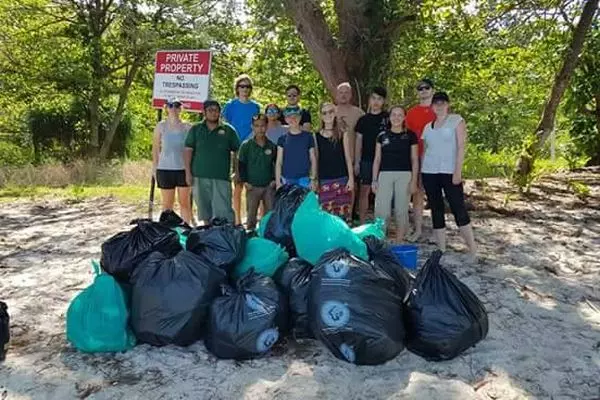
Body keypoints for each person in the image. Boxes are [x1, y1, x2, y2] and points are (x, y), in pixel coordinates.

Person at [421, 92, 477, 258]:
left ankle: (472, 248)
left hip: (449, 171)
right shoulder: (427, 127)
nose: (439, 106)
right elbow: (425, 151)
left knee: (458, 208)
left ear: (448, 104)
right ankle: (442, 248)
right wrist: (420, 176)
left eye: (442, 102)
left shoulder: (456, 121)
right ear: (432, 106)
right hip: (429, 171)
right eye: (436, 103)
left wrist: (457, 171)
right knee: (436, 208)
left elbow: (461, 147)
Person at [184, 100, 240, 224]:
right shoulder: (196, 129)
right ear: (204, 112)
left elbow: (237, 152)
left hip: (221, 177)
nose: (214, 113)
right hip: (199, 176)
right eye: (210, 110)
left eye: (216, 110)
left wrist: (237, 171)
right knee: (205, 212)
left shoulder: (228, 130)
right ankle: (207, 235)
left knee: (224, 212)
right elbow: (188, 150)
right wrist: (187, 172)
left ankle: (225, 237)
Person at [371, 105, 418, 243]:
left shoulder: (410, 135)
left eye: (400, 115)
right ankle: (380, 241)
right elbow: (377, 159)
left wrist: (414, 180)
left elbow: (415, 159)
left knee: (401, 210)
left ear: (404, 117)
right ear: (389, 117)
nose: (396, 117)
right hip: (384, 174)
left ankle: (399, 241)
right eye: (394, 115)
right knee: (382, 211)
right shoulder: (382, 136)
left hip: (405, 175)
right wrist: (374, 179)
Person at [222, 74, 261, 225]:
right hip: (235, 149)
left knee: (252, 185)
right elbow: (225, 126)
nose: (245, 89)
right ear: (237, 88)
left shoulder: (255, 107)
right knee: (237, 183)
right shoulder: (230, 106)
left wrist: (250, 139)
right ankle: (237, 220)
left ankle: (251, 219)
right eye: (242, 86)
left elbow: (258, 126)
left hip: (251, 147)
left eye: (248, 87)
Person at [152, 98, 193, 224]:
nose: (173, 109)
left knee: (184, 203)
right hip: (165, 169)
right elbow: (155, 148)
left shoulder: (187, 127)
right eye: (170, 106)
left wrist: (190, 170)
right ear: (166, 108)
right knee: (167, 205)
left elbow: (192, 149)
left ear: (181, 108)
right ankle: (166, 233)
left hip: (182, 170)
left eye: (176, 106)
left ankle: (186, 230)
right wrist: (155, 168)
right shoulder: (160, 126)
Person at [405, 78, 436, 241]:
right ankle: (418, 230)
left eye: (426, 88)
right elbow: (407, 137)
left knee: (434, 195)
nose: (423, 90)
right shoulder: (411, 112)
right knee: (417, 194)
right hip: (415, 157)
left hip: (435, 158)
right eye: (420, 88)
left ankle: (438, 233)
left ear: (432, 90)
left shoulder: (439, 110)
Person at [355, 87, 389, 224]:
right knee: (364, 191)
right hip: (367, 160)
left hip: (386, 161)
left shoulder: (388, 119)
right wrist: (357, 161)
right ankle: (362, 223)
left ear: (383, 101)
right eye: (374, 98)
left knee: (383, 193)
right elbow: (358, 141)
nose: (376, 102)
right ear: (369, 100)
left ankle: (380, 223)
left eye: (379, 99)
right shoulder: (363, 120)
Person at [314, 102, 354, 221]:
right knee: (326, 216)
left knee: (342, 215)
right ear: (321, 116)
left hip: (341, 178)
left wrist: (351, 179)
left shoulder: (342, 133)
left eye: (331, 111)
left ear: (335, 112)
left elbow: (348, 157)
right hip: (325, 180)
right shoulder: (315, 136)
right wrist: (315, 179)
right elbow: (316, 159)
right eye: (324, 113)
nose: (328, 115)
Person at [238, 114, 277, 230]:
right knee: (251, 215)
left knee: (270, 214)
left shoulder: (272, 146)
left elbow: (276, 164)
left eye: (263, 126)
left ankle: (267, 236)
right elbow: (241, 165)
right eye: (257, 126)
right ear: (252, 127)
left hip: (268, 186)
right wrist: (245, 181)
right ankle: (250, 234)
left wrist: (274, 180)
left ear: (267, 127)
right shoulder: (246, 145)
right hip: (252, 186)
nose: (260, 129)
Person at [335, 82, 365, 223]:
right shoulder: (331, 111)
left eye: (347, 92)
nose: (344, 95)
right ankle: (335, 217)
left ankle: (351, 215)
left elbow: (362, 136)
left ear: (351, 95)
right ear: (336, 94)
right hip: (335, 157)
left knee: (352, 187)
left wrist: (358, 160)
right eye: (341, 92)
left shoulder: (358, 113)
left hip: (353, 155)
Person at [275, 106, 317, 190]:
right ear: (286, 119)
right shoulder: (282, 139)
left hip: (305, 179)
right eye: (289, 117)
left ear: (300, 118)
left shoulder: (308, 136)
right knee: (289, 203)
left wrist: (313, 179)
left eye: (295, 116)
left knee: (304, 203)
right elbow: (279, 161)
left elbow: (313, 158)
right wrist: (278, 182)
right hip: (287, 179)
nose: (292, 119)